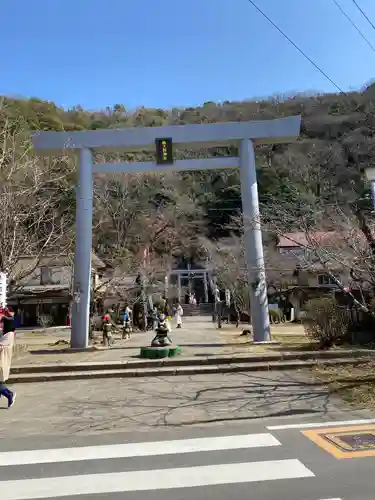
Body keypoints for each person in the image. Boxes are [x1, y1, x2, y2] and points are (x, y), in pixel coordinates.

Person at [0, 306, 16, 408]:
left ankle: (9, 394)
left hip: (2, 362)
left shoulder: (9, 335)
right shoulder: (5, 333)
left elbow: (1, 346)